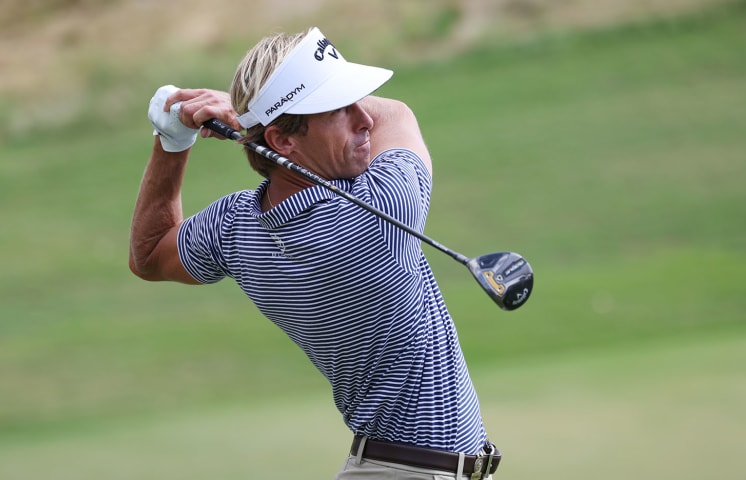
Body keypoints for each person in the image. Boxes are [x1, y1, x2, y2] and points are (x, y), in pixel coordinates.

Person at [129, 27, 501, 480]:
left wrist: (172, 142)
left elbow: (149, 254)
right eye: (340, 109)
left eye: (358, 101)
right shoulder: (379, 210)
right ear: (284, 142)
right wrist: (247, 109)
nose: (364, 118)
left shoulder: (235, 227)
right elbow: (397, 115)